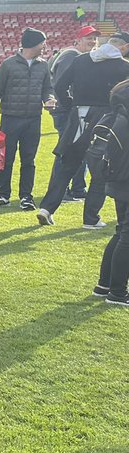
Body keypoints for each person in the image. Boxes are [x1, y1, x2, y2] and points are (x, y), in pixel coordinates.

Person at [36, 33, 129, 228]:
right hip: (105, 120)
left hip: (78, 116)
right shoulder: (124, 67)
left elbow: (59, 85)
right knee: (100, 170)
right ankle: (91, 219)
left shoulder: (80, 60)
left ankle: (46, 208)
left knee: (67, 164)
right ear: (124, 47)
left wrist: (72, 104)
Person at [0, 28, 54, 211]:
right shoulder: (8, 65)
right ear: (33, 44)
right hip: (10, 119)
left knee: (29, 160)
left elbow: (48, 88)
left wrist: (49, 98)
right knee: (6, 159)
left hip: (33, 119)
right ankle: (3, 195)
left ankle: (26, 197)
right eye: (42, 43)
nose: (44, 47)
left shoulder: (43, 65)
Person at [87, 80, 129, 305]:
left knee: (122, 232)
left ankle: (105, 286)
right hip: (124, 176)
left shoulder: (121, 105)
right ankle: (117, 292)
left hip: (118, 176)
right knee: (126, 235)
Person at [49, 25, 101, 200]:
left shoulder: (76, 56)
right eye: (88, 38)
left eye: (94, 39)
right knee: (66, 150)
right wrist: (71, 105)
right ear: (78, 40)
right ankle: (60, 190)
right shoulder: (71, 56)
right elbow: (61, 85)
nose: (92, 41)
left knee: (80, 148)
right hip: (67, 111)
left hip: (72, 110)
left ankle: (77, 188)